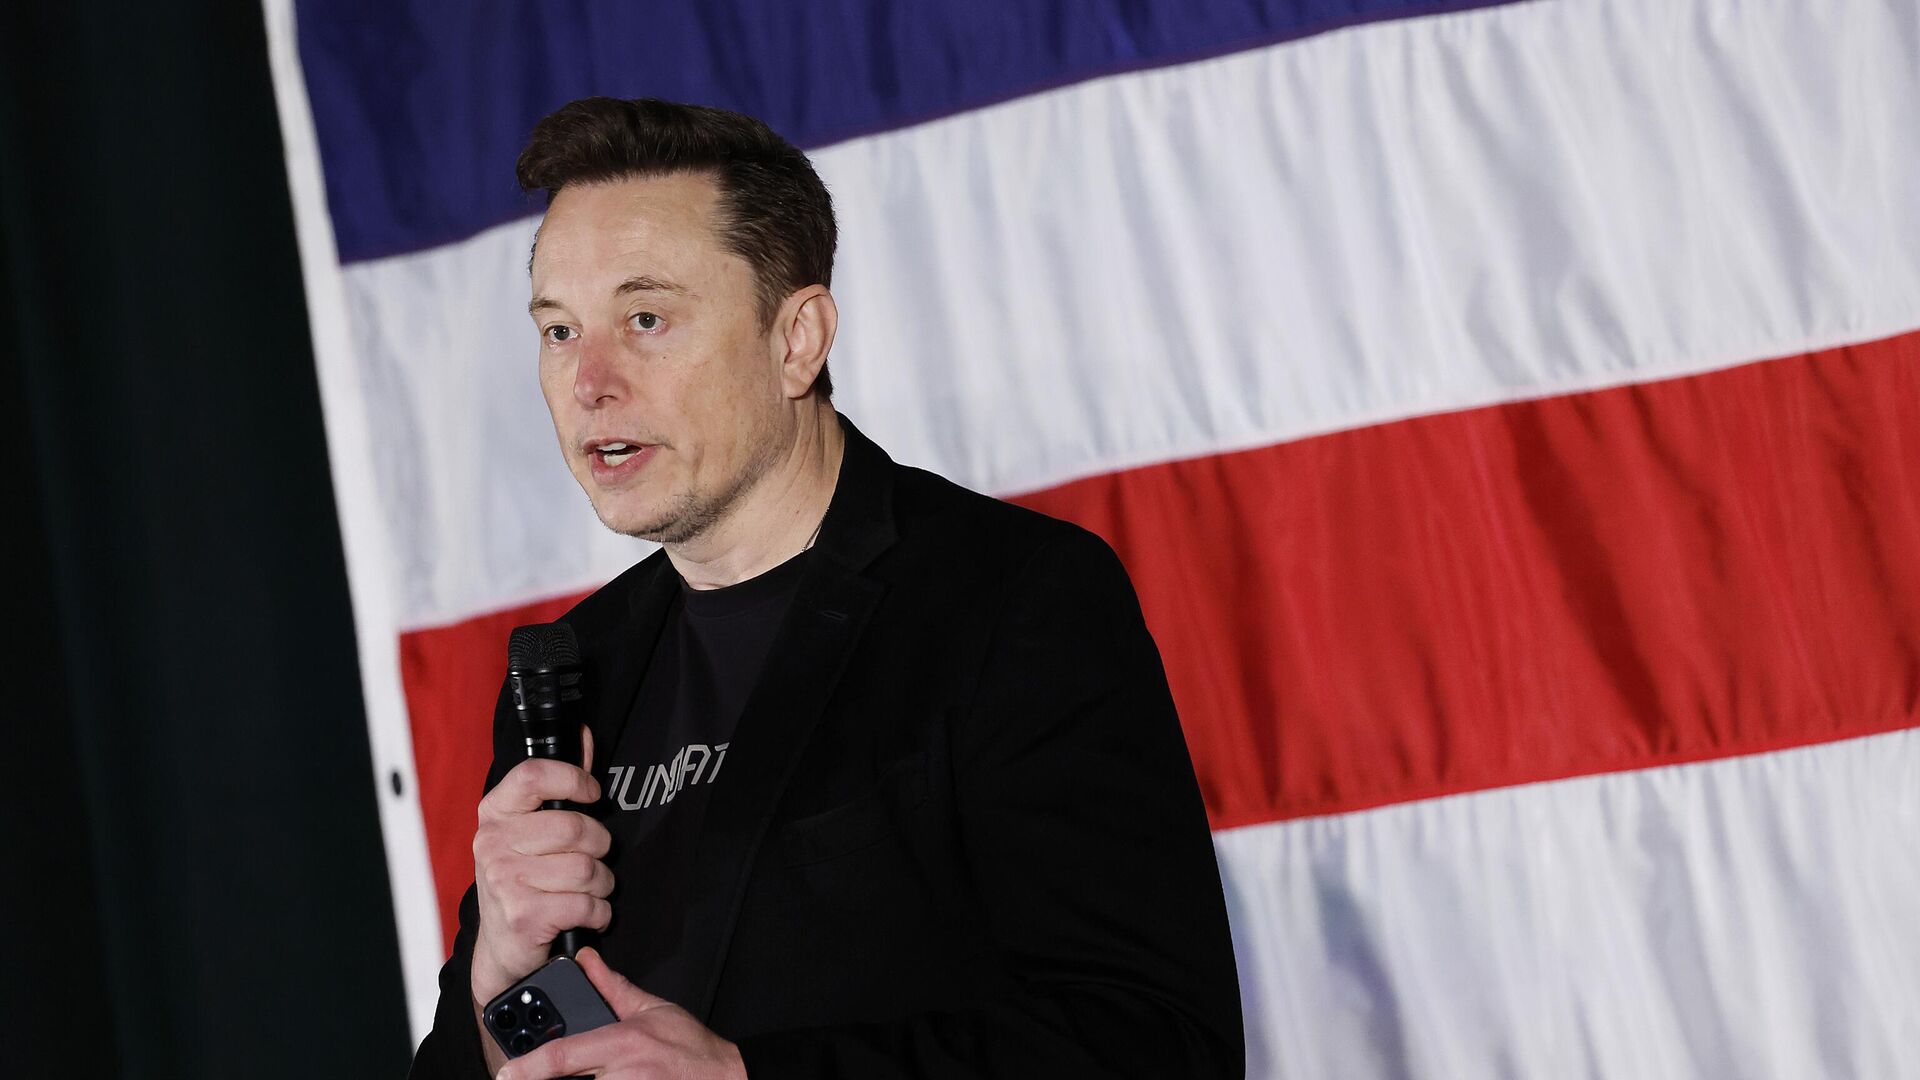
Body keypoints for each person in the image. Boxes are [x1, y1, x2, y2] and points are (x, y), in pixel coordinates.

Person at [408, 96, 1243, 1080]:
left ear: (797, 339)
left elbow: (1158, 1043)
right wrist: (497, 977)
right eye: (558, 330)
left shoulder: (1011, 601)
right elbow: (516, 1051)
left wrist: (747, 1078)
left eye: (646, 319)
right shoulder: (577, 669)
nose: (590, 381)